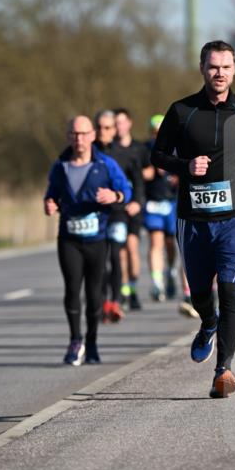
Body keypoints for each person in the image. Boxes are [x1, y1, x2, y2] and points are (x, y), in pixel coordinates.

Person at [151, 40, 235, 398]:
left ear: (234, 69)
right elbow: (157, 155)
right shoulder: (182, 111)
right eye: (213, 66)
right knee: (202, 293)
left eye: (226, 67)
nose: (220, 73)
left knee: (230, 291)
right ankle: (208, 322)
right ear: (202, 68)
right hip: (194, 218)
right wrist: (186, 166)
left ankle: (223, 371)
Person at [44, 115, 131, 364]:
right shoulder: (60, 166)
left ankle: (92, 342)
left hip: (97, 239)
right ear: (68, 136)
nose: (79, 139)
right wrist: (49, 204)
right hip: (69, 238)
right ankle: (75, 340)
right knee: (72, 289)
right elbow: (51, 194)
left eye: (83, 134)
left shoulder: (105, 164)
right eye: (74, 134)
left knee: (94, 295)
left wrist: (114, 196)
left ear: (93, 136)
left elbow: (127, 190)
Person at [114, 108, 151, 310]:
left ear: (129, 123)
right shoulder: (108, 149)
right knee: (119, 252)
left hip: (135, 204)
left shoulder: (139, 148)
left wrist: (142, 174)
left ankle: (134, 288)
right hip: (117, 207)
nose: (119, 127)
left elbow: (150, 171)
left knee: (132, 248)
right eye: (115, 123)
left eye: (122, 122)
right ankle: (124, 290)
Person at [94, 110, 127, 323]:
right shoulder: (88, 153)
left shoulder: (123, 153)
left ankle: (115, 301)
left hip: (118, 214)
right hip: (94, 216)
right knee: (99, 261)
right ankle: (102, 301)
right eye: (99, 127)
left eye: (107, 127)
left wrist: (134, 202)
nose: (102, 132)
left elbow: (134, 181)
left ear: (114, 130)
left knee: (115, 256)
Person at [143, 114, 179, 302]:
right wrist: (149, 172)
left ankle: (170, 271)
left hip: (172, 201)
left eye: (160, 132)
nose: (157, 136)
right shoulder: (146, 149)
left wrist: (178, 177)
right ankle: (157, 284)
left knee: (170, 243)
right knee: (155, 242)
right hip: (153, 202)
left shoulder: (175, 148)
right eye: (154, 132)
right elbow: (138, 172)